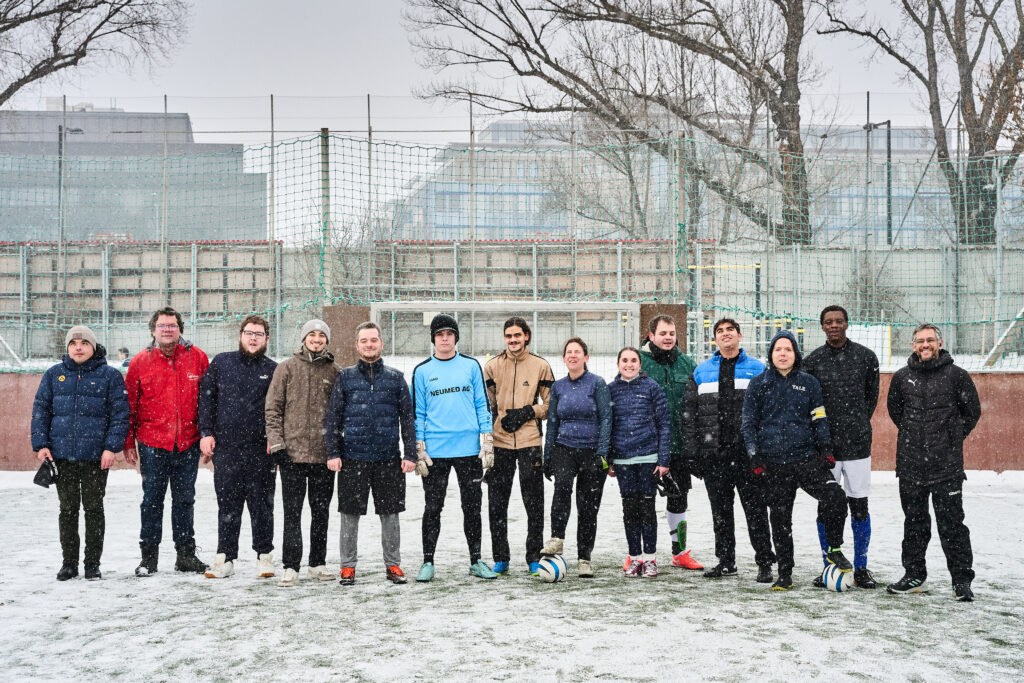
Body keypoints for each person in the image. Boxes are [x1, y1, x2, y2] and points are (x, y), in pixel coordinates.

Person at [740, 330, 852, 591]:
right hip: (773, 463)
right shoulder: (758, 384)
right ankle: (785, 573)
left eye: (788, 349)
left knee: (836, 497)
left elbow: (819, 417)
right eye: (778, 349)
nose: (782, 354)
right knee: (780, 520)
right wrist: (754, 454)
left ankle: (834, 549)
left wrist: (826, 449)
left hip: (807, 460)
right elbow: (748, 423)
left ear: (795, 354)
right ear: (771, 354)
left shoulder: (809, 383)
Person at [886, 323, 981, 602]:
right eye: (919, 341)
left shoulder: (957, 376)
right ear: (913, 345)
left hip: (946, 467)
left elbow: (971, 412)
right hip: (911, 465)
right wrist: (915, 437)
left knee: (952, 526)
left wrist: (950, 437)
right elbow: (896, 412)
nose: (924, 345)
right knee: (914, 524)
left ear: (939, 343)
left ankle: (961, 580)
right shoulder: (902, 377)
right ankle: (914, 574)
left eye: (930, 340)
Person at [31, 326, 130, 581]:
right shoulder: (54, 375)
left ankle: (92, 564)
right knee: (68, 510)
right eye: (73, 342)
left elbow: (120, 415)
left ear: (93, 347)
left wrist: (111, 448)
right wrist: (41, 444)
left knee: (94, 509)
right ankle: (69, 563)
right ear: (67, 347)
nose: (78, 347)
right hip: (62, 456)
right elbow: (41, 410)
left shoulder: (109, 376)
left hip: (95, 457)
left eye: (84, 342)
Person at [325, 322, 417, 586]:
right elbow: (333, 419)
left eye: (373, 340)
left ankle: (393, 565)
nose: (369, 344)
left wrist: (409, 454)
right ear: (357, 345)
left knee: (390, 515)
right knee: (349, 515)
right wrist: (333, 452)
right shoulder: (345, 377)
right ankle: (347, 567)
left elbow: (407, 420)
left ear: (381, 344)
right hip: (353, 458)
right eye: (364, 340)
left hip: (388, 459)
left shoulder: (396, 378)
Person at [684, 318, 775, 583]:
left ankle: (765, 562)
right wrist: (694, 453)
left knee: (756, 509)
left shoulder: (757, 369)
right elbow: (690, 415)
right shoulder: (701, 371)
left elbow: (767, 412)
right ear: (715, 339)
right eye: (720, 332)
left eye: (730, 331)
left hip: (747, 456)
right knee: (720, 512)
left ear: (739, 336)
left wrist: (762, 451)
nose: (725, 335)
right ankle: (726, 561)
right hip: (715, 456)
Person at [124, 307, 209, 576]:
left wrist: (207, 436)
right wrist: (128, 443)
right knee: (152, 501)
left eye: (172, 325)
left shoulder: (197, 358)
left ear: (180, 328)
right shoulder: (139, 362)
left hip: (188, 443)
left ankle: (185, 555)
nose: (168, 330)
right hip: (153, 444)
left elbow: (208, 402)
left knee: (185, 500)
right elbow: (129, 406)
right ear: (153, 330)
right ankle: (148, 558)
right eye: (162, 326)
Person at [412, 314, 497, 582]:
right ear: (434, 339)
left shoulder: (471, 366)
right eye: (440, 334)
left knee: (472, 507)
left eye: (449, 334)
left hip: (469, 451)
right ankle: (428, 561)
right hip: (435, 453)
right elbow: (419, 413)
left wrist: (487, 440)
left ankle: (476, 560)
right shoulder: (422, 370)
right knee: (432, 508)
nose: (445, 338)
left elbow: (483, 406)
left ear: (456, 337)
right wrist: (419, 448)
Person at [804, 305, 880, 589]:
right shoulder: (812, 361)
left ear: (847, 323)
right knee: (827, 506)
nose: (834, 325)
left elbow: (870, 399)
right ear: (822, 326)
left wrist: (856, 424)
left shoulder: (866, 357)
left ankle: (861, 567)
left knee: (859, 505)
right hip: (825, 449)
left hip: (858, 446)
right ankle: (829, 565)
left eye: (838, 321)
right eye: (828, 322)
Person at [199, 315, 278, 579]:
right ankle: (225, 557)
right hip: (227, 449)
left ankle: (264, 556)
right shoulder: (222, 363)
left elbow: (279, 409)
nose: (253, 337)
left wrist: (274, 437)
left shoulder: (274, 369)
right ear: (240, 335)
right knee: (228, 505)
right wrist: (206, 433)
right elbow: (206, 401)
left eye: (259, 333)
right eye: (249, 332)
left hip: (261, 451)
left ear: (267, 339)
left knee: (262, 505)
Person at [265, 318, 339, 587]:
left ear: (327, 340)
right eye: (312, 335)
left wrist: (335, 449)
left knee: (321, 512)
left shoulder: (334, 371)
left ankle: (317, 563)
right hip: (292, 456)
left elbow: (339, 415)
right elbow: (273, 410)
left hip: (323, 457)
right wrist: (278, 446)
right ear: (303, 338)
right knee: (292, 513)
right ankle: (291, 565)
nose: (316, 340)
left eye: (322, 335)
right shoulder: (286, 369)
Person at [483, 316, 554, 576]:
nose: (513, 340)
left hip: (530, 442)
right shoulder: (492, 367)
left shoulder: (540, 366)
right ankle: (501, 557)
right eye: (508, 336)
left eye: (517, 335)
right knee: (496, 503)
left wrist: (527, 412)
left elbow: (550, 406)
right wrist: (490, 436)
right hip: (501, 442)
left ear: (526, 336)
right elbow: (486, 407)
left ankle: (534, 556)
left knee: (533, 503)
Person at [540, 337, 612, 578]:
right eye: (568, 352)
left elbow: (605, 419)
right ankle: (557, 539)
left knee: (588, 506)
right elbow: (553, 422)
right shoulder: (558, 387)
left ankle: (584, 558)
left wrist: (602, 452)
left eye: (577, 352)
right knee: (562, 489)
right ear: (564, 358)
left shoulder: (597, 384)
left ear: (586, 357)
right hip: (564, 448)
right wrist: (548, 454)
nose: (572, 356)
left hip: (591, 451)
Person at [638, 314, 703, 570]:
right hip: (644, 445)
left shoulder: (688, 364)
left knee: (678, 498)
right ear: (651, 336)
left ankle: (680, 552)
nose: (668, 338)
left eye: (671, 334)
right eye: (663, 333)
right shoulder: (638, 362)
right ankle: (639, 553)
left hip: (678, 444)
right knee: (642, 500)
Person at [608, 346, 670, 578]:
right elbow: (608, 425)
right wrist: (609, 459)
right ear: (618, 364)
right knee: (630, 509)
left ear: (640, 364)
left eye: (634, 360)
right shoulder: (611, 390)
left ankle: (650, 559)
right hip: (623, 460)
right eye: (624, 360)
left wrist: (663, 459)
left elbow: (664, 423)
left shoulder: (652, 387)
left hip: (648, 458)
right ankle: (635, 559)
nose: (629, 364)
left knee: (647, 508)